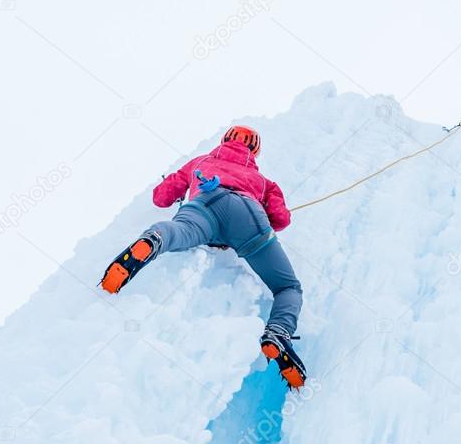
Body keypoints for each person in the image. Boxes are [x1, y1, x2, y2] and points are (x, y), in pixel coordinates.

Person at [99, 125, 306, 388]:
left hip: (205, 201)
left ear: (223, 141)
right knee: (288, 287)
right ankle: (278, 333)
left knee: (180, 231)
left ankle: (154, 239)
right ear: (255, 151)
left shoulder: (200, 162)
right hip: (248, 215)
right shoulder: (265, 182)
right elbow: (281, 219)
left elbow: (161, 198)